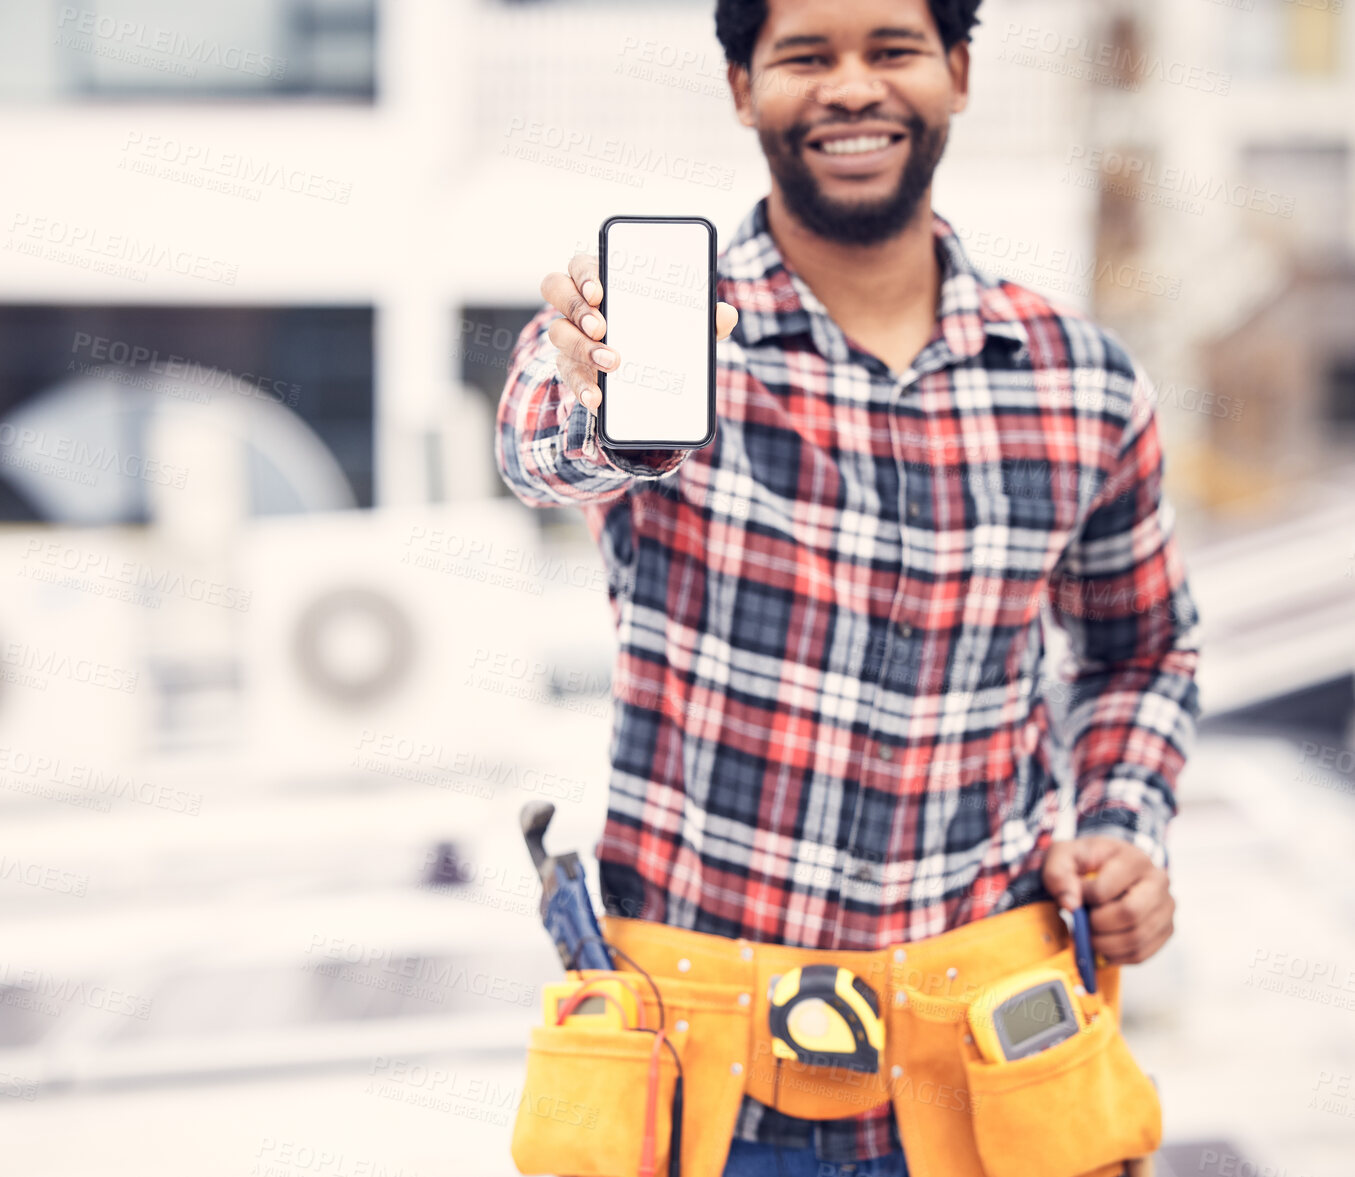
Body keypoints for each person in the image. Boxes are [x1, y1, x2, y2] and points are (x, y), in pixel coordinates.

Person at [493, 0, 1202, 1174]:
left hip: (995, 1065)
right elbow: (539, 445)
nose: (851, 88)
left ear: (958, 71)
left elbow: (1144, 648)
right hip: (707, 1080)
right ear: (740, 89)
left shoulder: (1079, 381)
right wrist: (590, 398)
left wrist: (1124, 828)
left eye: (892, 49)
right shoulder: (643, 338)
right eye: (804, 57)